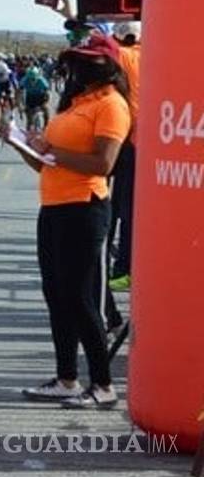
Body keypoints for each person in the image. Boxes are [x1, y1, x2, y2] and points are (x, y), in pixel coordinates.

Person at [8, 32, 130, 410]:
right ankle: (66, 378)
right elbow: (47, 162)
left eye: (87, 61)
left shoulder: (111, 105)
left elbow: (103, 164)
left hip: (85, 207)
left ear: (107, 66)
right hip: (55, 206)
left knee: (81, 298)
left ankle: (104, 384)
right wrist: (20, 143)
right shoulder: (76, 103)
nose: (78, 67)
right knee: (56, 296)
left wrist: (52, 150)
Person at [107, 21, 140, 293]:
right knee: (130, 208)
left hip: (125, 138)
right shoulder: (152, 53)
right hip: (150, 141)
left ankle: (120, 269)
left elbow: (100, 43)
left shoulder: (123, 54)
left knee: (117, 207)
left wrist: (72, 15)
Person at [19, 65, 51, 131]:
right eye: (30, 79)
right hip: (30, 98)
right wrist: (21, 105)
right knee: (29, 119)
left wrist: (45, 103)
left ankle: (46, 127)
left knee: (46, 111)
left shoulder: (42, 81)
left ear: (37, 76)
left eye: (33, 79)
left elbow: (48, 93)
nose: (31, 81)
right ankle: (28, 132)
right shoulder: (24, 80)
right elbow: (19, 93)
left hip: (41, 97)